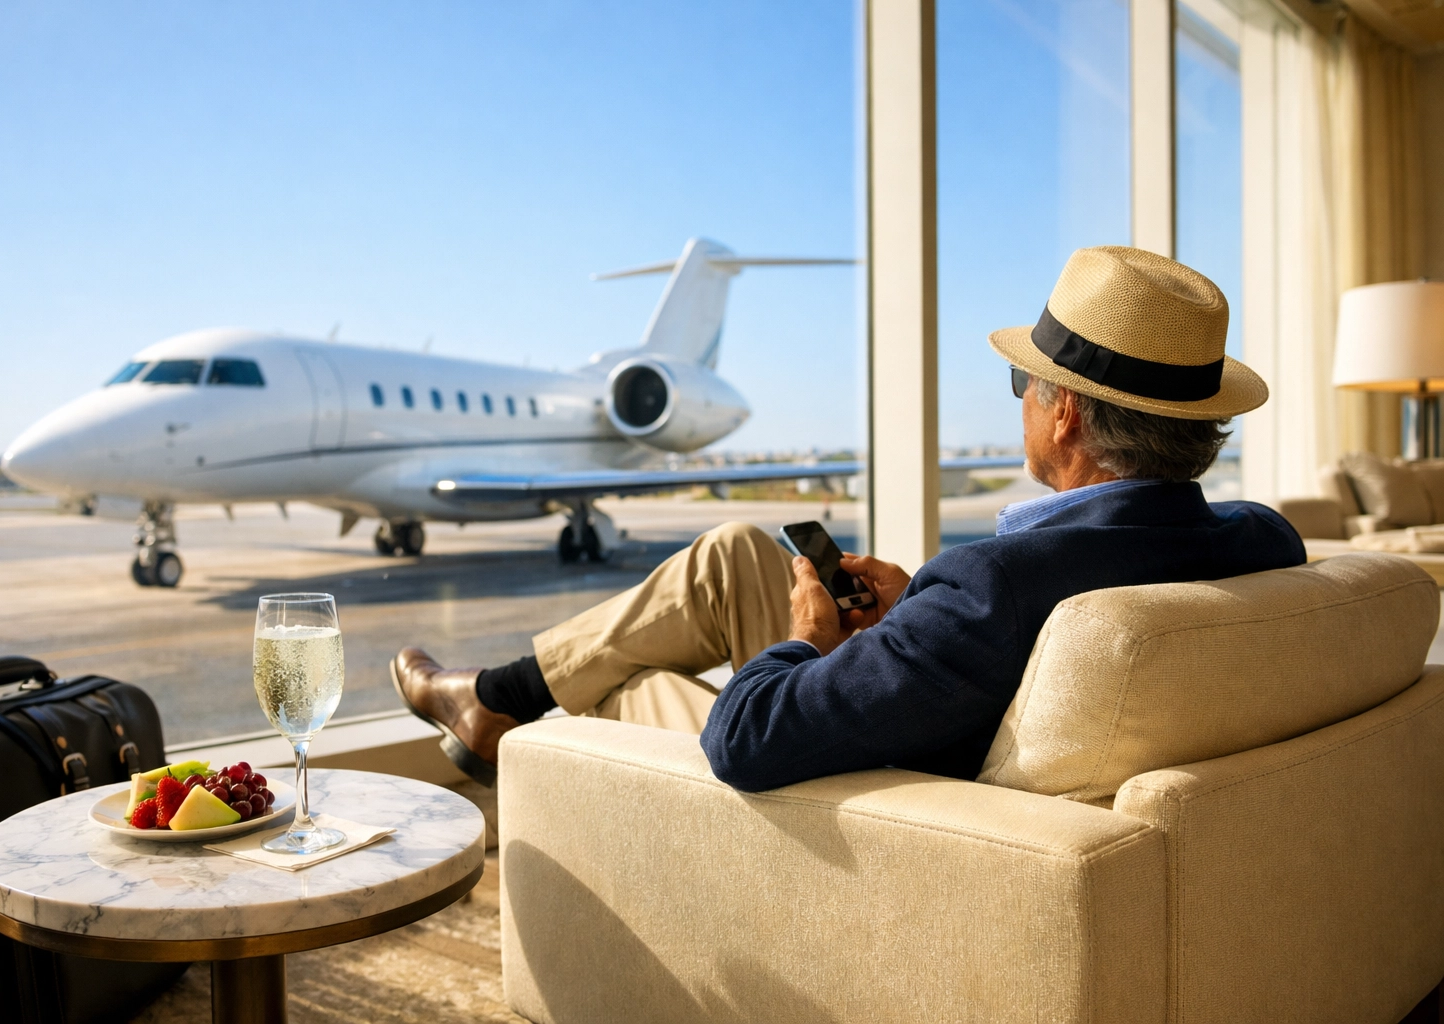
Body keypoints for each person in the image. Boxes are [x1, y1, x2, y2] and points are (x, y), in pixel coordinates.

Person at [391, 245, 1306, 791]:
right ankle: (494, 695)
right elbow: (997, 646)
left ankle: (502, 711)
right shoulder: (1261, 540)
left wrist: (807, 640)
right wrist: (916, 607)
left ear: (1064, 412)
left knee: (621, 690)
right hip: (950, 702)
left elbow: (747, 740)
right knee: (730, 554)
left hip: (887, 798)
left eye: (1023, 382)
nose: (1021, 400)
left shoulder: (993, 588)